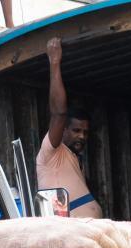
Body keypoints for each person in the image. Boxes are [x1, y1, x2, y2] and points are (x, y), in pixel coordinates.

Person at [37, 38, 102, 218]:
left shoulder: (74, 159)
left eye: (85, 132)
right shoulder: (51, 152)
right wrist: (55, 62)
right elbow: (59, 112)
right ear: (63, 129)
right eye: (76, 131)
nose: (81, 136)